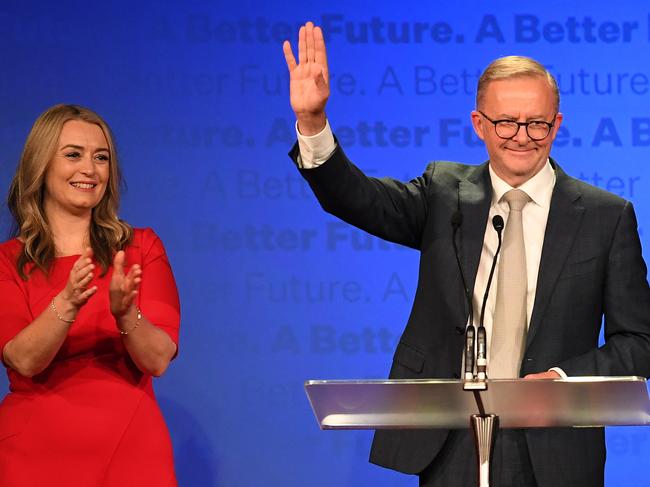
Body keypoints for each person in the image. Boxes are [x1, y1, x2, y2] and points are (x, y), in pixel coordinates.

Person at [283, 22, 650, 487]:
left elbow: (640, 340)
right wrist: (314, 124)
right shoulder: (444, 194)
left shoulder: (605, 216)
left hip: (552, 443)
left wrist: (561, 379)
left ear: (557, 124)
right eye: (506, 122)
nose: (522, 136)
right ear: (479, 124)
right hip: (451, 438)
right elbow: (356, 199)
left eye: (537, 122)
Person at [0, 104, 180, 486]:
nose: (90, 169)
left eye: (102, 158)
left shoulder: (141, 247)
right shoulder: (8, 261)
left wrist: (126, 313)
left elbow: (159, 359)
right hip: (36, 452)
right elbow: (24, 359)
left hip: (132, 450)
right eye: (73, 155)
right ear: (40, 166)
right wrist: (66, 302)